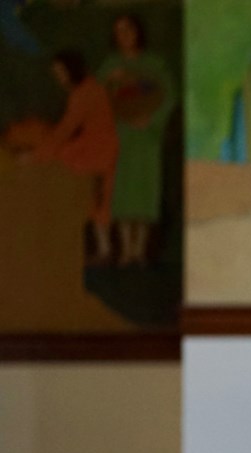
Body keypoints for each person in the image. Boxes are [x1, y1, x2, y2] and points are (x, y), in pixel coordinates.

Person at [98, 13, 176, 265]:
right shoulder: (110, 65)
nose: (125, 36)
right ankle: (125, 250)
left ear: (138, 32)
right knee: (122, 192)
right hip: (120, 135)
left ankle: (139, 251)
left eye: (128, 30)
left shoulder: (155, 63)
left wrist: (151, 121)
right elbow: (98, 98)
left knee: (143, 193)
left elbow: (169, 96)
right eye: (119, 32)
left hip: (146, 137)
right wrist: (110, 81)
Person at [34, 49, 119, 266]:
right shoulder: (88, 88)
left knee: (92, 197)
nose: (59, 77)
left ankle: (99, 250)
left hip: (99, 149)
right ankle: (102, 250)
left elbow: (67, 128)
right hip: (99, 146)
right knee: (94, 199)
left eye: (61, 71)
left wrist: (38, 154)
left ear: (72, 70)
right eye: (56, 73)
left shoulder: (85, 92)